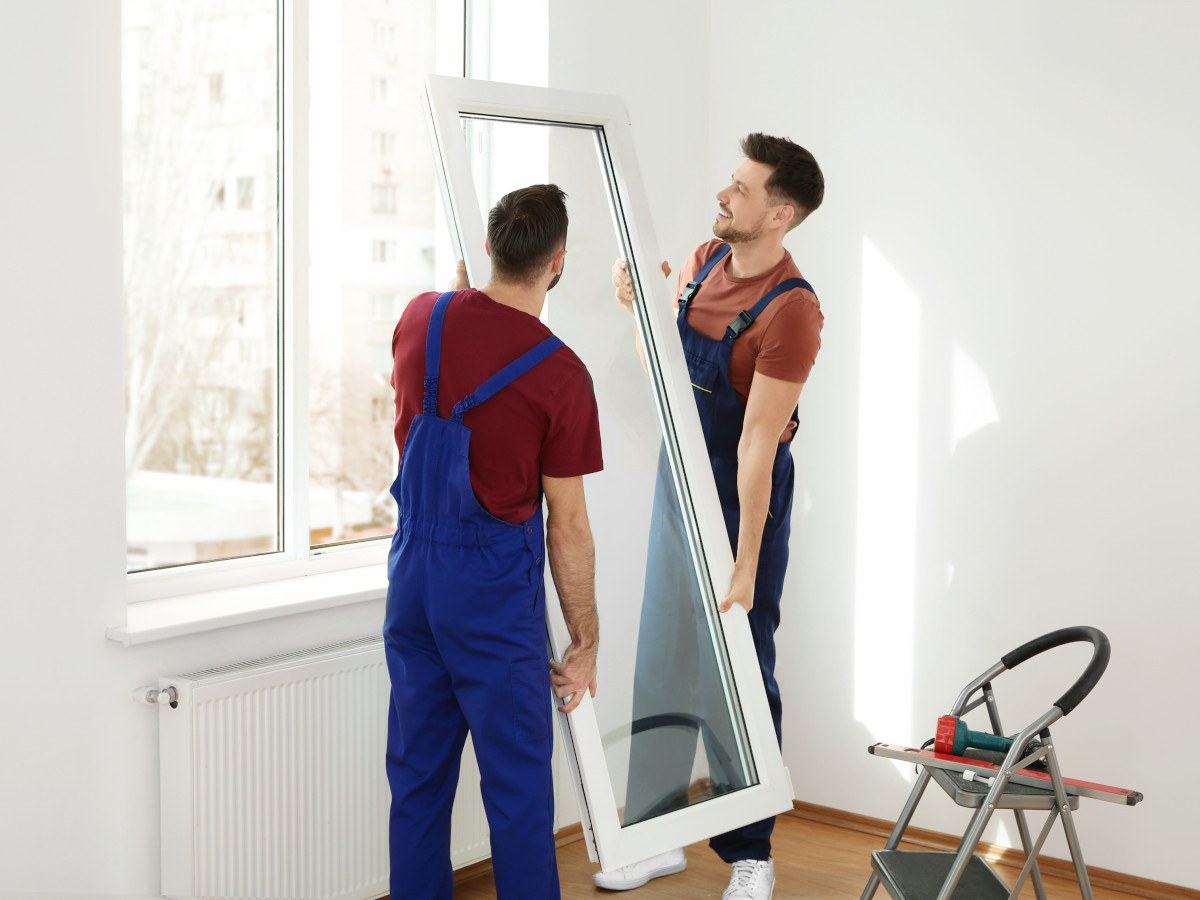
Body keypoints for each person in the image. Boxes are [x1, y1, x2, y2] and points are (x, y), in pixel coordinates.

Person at [596, 134, 824, 900]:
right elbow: (660, 371)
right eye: (730, 182)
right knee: (663, 657)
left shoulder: (793, 312)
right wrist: (641, 309)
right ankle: (657, 831)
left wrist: (747, 563)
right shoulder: (699, 262)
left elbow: (757, 447)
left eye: (742, 188)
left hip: (741, 493)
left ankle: (751, 851)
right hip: (679, 477)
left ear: (780, 213)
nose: (724, 196)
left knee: (740, 666)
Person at [384, 183, 603, 900]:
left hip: (413, 579)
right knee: (516, 794)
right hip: (490, 594)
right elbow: (565, 526)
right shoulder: (562, 375)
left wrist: (458, 302)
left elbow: (439, 381)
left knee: (417, 781)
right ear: (558, 262)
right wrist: (585, 639)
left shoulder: (423, 317)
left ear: (488, 247)